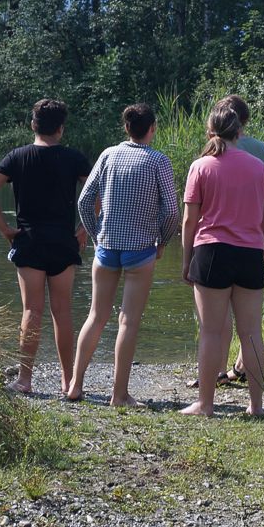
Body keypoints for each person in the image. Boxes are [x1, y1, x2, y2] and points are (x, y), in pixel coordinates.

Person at [66, 103, 179, 407]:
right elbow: (171, 211)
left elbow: (84, 200)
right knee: (127, 321)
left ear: (126, 128)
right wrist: (163, 241)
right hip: (140, 250)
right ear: (152, 129)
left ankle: (75, 385)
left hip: (106, 247)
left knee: (96, 316)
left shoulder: (108, 155)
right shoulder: (158, 161)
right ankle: (119, 395)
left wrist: (95, 234)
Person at [0, 98, 92, 394]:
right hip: (63, 243)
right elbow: (98, 191)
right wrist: (84, 228)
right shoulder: (73, 158)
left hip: (29, 242)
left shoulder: (17, 156)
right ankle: (68, 381)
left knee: (31, 310)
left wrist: (5, 229)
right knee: (62, 312)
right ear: (61, 128)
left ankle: (25, 379)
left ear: (33, 125)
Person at [180, 101, 264, 417]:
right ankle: (256, 406)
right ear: (239, 132)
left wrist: (186, 259)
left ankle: (205, 404)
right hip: (249, 254)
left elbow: (189, 221)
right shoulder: (259, 168)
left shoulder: (200, 166)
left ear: (211, 131)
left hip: (212, 252)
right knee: (252, 332)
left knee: (210, 331)